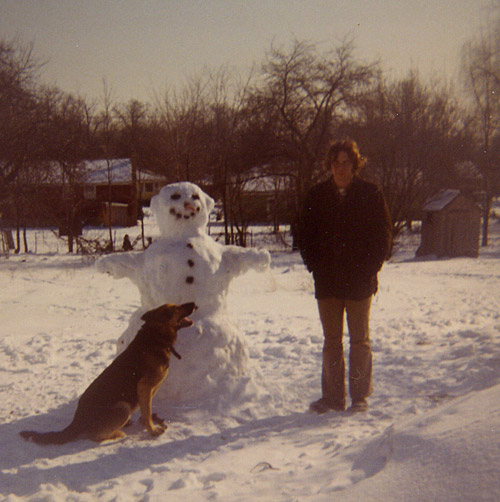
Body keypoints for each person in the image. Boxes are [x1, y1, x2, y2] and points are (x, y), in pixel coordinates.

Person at [298, 139, 392, 413]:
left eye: (346, 162)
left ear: (354, 164)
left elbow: (383, 237)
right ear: (330, 165)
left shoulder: (370, 193)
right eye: (336, 162)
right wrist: (315, 266)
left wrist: (370, 269)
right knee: (332, 342)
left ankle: (359, 397)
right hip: (328, 282)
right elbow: (304, 236)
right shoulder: (317, 196)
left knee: (360, 341)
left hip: (359, 283)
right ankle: (333, 398)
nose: (340, 168)